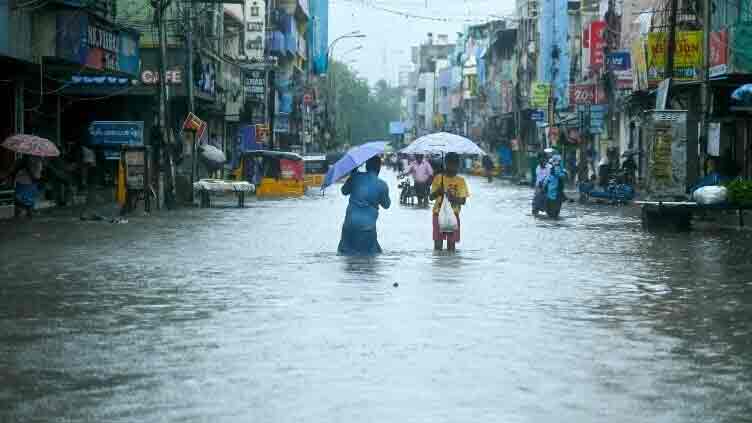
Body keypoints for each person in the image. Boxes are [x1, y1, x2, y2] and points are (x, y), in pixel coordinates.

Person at [338, 156, 391, 256]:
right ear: (379, 168)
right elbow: (387, 205)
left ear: (366, 167)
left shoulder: (356, 177)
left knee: (346, 257)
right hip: (367, 228)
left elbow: (344, 191)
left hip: (349, 224)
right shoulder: (382, 185)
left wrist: (352, 174)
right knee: (369, 260)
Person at [430, 153, 469, 252]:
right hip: (438, 214)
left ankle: (449, 266)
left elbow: (463, 201)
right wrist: (439, 191)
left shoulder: (461, 181)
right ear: (446, 163)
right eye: (451, 164)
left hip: (453, 215)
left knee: (451, 246)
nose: (454, 167)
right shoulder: (438, 178)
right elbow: (431, 197)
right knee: (438, 245)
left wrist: (452, 198)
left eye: (456, 164)